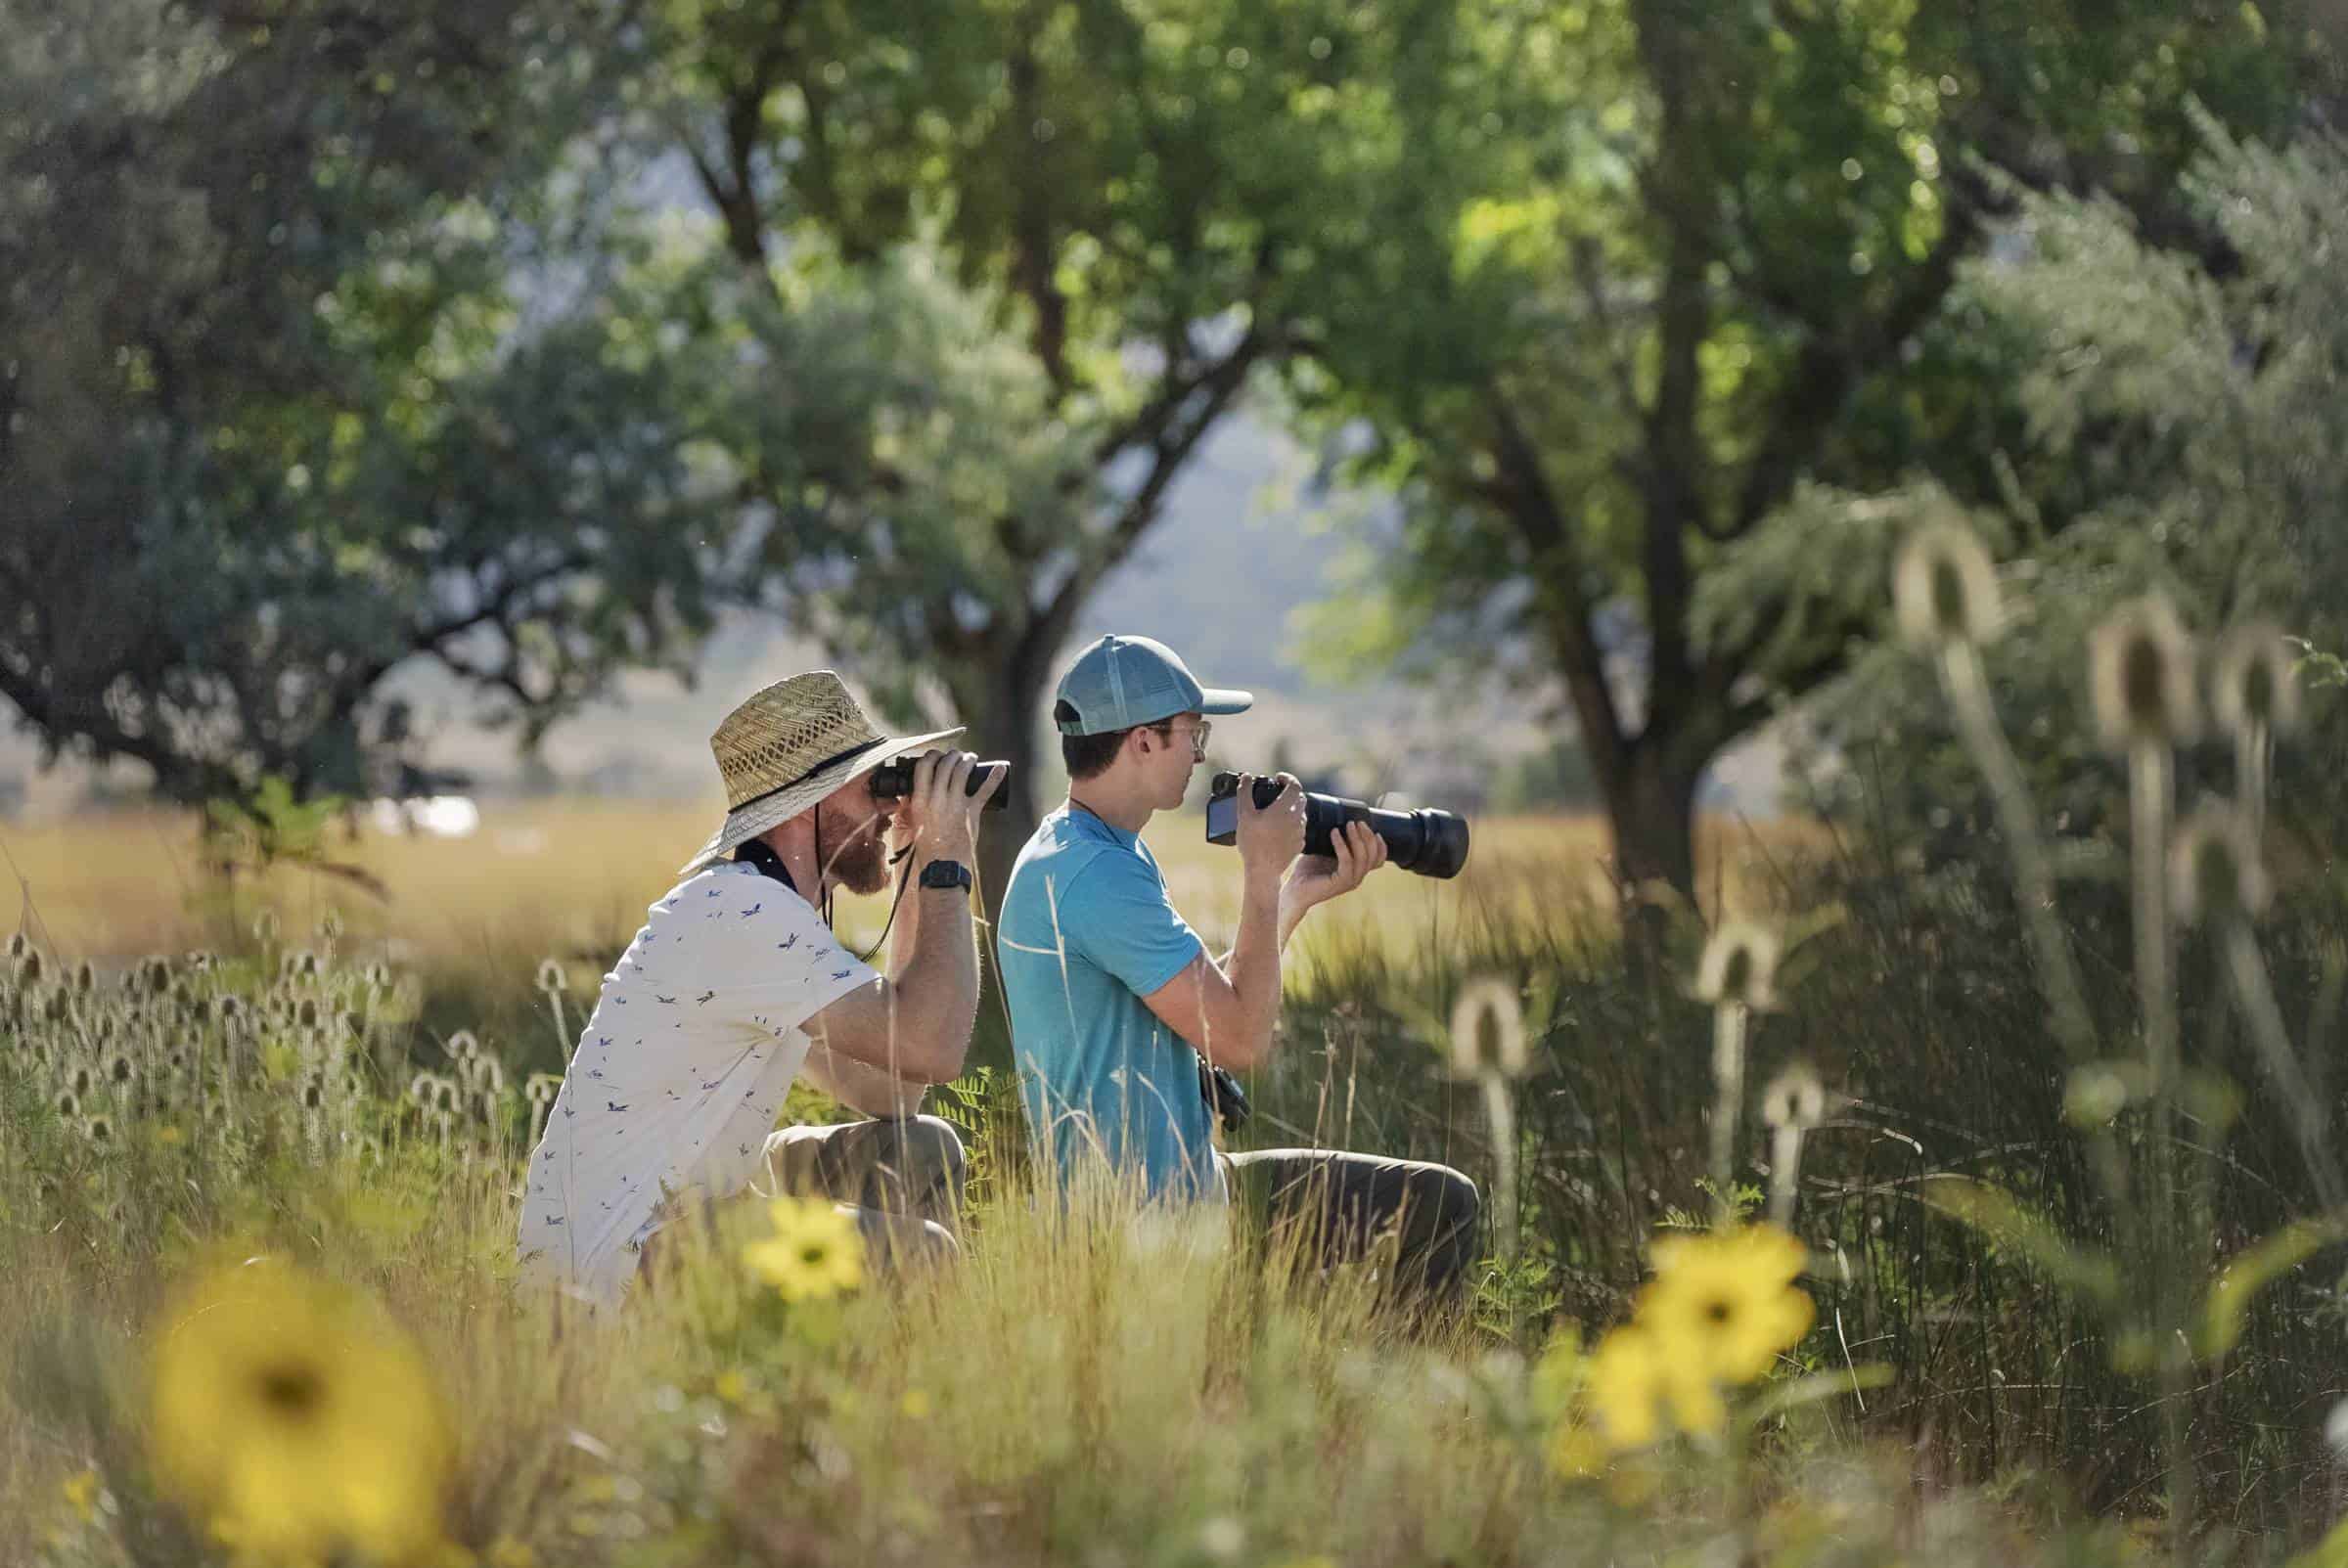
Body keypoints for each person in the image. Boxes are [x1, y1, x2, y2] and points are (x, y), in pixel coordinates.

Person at [997, 634, 1480, 1311]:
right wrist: (1259, 871)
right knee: (1441, 1207)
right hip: (1149, 1226)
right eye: (1192, 736)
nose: (1200, 755)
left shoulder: (1081, 849)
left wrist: (1294, 893)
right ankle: (1393, 1403)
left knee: (1432, 1198)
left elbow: (1200, 1006)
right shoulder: (1096, 875)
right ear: (1141, 741)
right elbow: (1241, 1040)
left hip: (1180, 1194)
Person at [517, 670, 1002, 1309]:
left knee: (919, 1147)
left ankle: (855, 1383)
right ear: (807, 803)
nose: (889, 804)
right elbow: (933, 1048)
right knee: (926, 1252)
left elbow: (896, 1085)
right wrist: (947, 857)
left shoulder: (762, 913)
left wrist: (915, 862)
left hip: (687, 1211)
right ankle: (875, 1400)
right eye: (871, 783)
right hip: (617, 1267)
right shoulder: (744, 913)